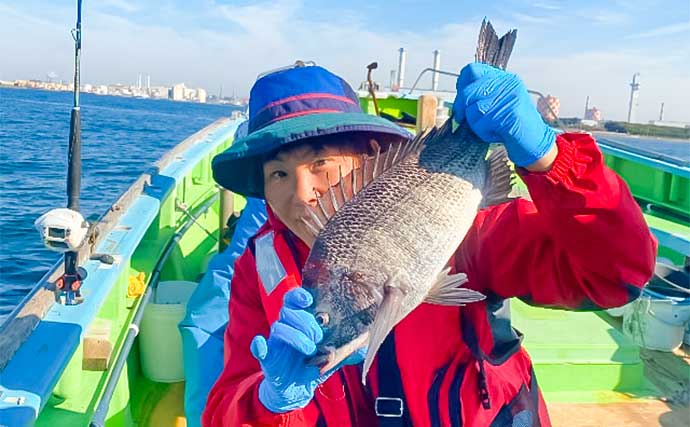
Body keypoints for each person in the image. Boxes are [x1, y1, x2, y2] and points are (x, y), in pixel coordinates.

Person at [202, 63, 657, 426]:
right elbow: (225, 407)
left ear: (369, 163)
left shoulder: (468, 230)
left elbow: (614, 275)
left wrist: (549, 160)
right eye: (278, 174)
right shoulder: (256, 269)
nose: (301, 193)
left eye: (321, 164)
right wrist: (269, 401)